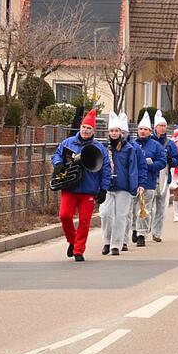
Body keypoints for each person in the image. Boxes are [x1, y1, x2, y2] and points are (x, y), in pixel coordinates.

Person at [52, 109, 110, 261]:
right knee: (64, 216)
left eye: (88, 128)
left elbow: (105, 170)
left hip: (88, 190)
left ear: (93, 130)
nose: (85, 130)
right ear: (80, 127)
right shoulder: (68, 142)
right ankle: (72, 240)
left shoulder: (100, 149)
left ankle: (78, 250)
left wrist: (103, 189)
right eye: (84, 127)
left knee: (84, 222)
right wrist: (58, 164)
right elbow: (57, 154)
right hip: (69, 187)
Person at [100, 113, 139, 256]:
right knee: (105, 214)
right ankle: (106, 241)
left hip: (123, 187)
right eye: (112, 131)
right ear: (108, 132)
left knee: (121, 216)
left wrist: (133, 187)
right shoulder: (104, 147)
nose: (114, 133)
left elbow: (132, 168)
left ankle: (116, 244)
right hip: (107, 186)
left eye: (117, 131)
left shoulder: (128, 148)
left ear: (121, 132)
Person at [131, 111, 167, 248]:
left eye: (145, 129)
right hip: (133, 181)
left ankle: (142, 234)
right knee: (132, 208)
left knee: (144, 207)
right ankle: (134, 228)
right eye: (140, 129)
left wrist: (149, 165)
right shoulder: (132, 144)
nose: (143, 132)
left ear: (150, 131)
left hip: (149, 181)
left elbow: (162, 162)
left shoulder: (156, 146)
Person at [149, 111, 178, 242]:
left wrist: (170, 160)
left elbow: (177, 160)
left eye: (164, 126)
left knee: (161, 207)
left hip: (164, 178)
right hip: (150, 178)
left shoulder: (169, 143)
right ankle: (144, 230)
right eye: (160, 125)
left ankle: (156, 232)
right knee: (149, 206)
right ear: (155, 127)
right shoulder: (149, 141)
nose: (162, 128)